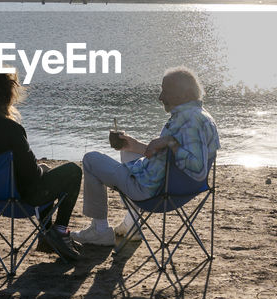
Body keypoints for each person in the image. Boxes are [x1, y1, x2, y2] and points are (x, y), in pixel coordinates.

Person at [74, 67, 220, 245]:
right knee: (127, 151)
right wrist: (134, 145)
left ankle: (100, 231)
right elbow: (173, 160)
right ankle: (131, 225)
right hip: (174, 186)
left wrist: (170, 141)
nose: (160, 97)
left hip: (152, 192)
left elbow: (197, 169)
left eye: (165, 91)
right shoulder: (201, 116)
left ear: (183, 94)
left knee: (91, 159)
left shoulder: (189, 122)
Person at [0, 67, 81, 261]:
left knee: (43, 178)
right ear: (7, 97)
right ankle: (59, 232)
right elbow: (33, 176)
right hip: (21, 201)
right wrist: (43, 170)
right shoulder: (12, 130)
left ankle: (48, 237)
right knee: (72, 171)